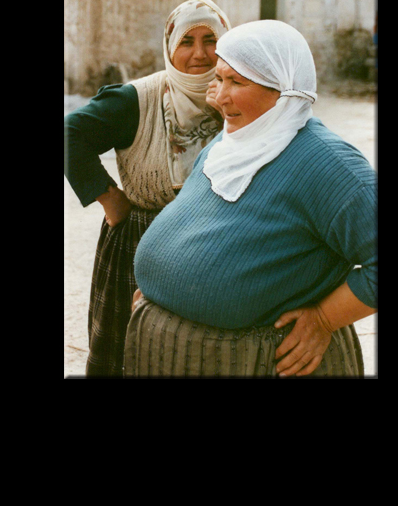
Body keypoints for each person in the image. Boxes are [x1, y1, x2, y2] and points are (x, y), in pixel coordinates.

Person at [125, 20, 377, 377]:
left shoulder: (328, 165)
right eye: (220, 78)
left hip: (252, 363)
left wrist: (324, 318)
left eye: (237, 82)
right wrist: (158, 291)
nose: (220, 96)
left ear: (283, 90)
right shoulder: (238, 140)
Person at [64, 0, 231, 377]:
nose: (201, 54)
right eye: (187, 41)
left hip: (217, 246)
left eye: (211, 39)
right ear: (170, 46)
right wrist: (110, 198)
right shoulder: (135, 100)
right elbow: (70, 133)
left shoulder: (238, 94)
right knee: (130, 355)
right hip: (142, 243)